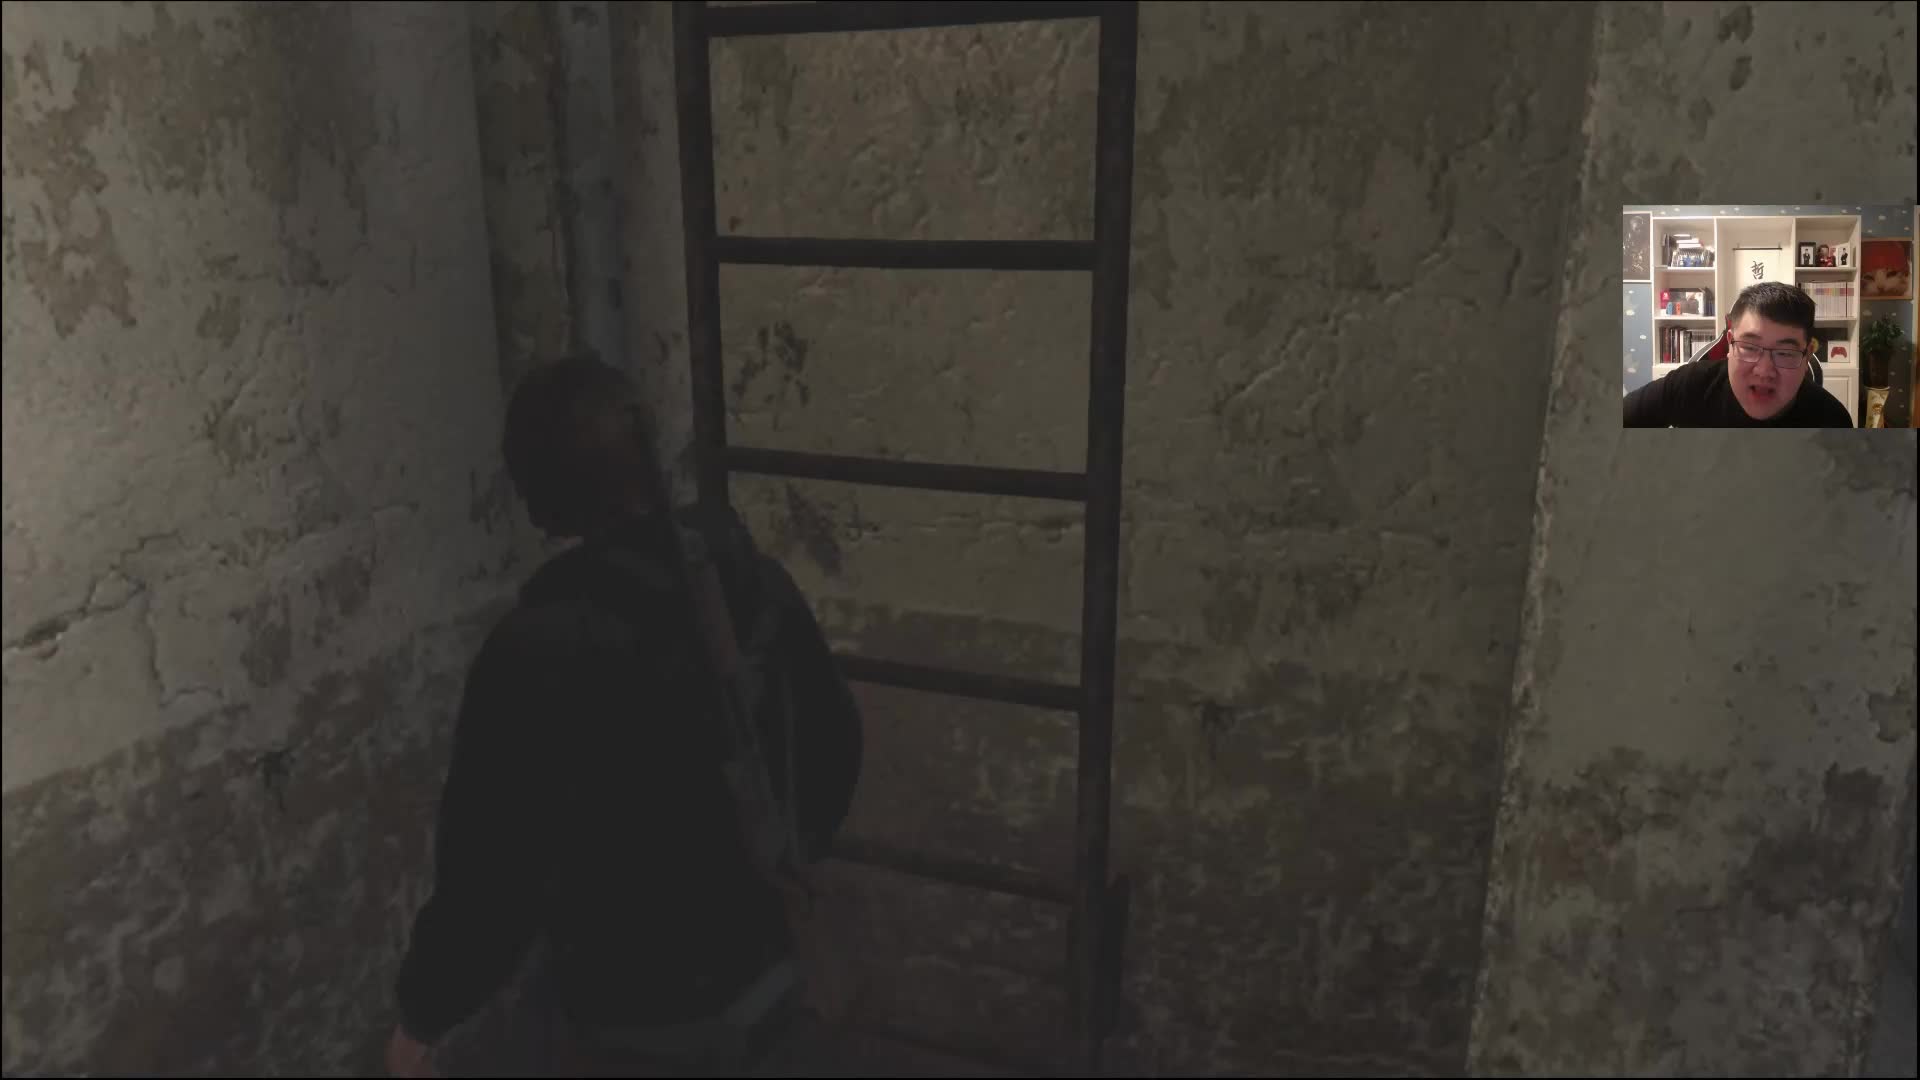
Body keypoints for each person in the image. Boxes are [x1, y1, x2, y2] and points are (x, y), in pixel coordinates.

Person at [384, 357, 864, 1076]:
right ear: (649, 463)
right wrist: (767, 871)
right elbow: (836, 749)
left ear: (537, 497)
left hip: (632, 1022)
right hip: (772, 984)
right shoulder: (756, 587)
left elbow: (490, 878)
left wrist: (424, 1013)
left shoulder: (537, 653)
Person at [1623, 281, 1853, 428]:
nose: (1764, 371)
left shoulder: (1832, 420)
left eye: (1784, 353)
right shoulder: (1689, 385)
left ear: (1807, 355)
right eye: (1749, 347)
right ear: (1730, 344)